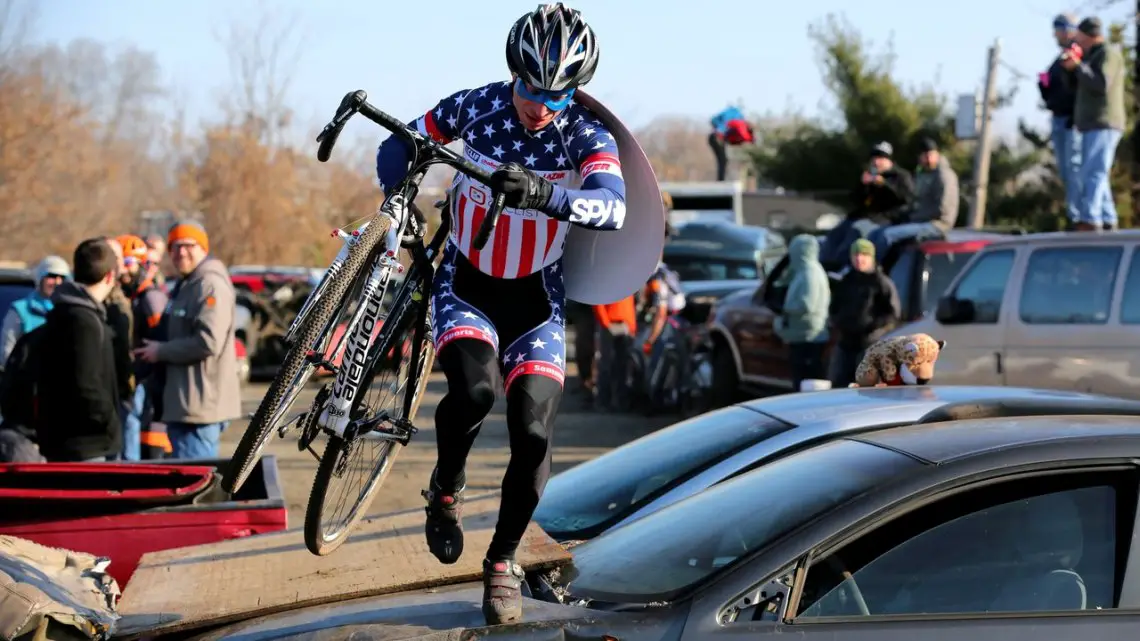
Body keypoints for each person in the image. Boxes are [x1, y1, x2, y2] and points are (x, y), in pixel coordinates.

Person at [373, 3, 623, 624]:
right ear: (512, 72)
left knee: (534, 431)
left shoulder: (586, 134)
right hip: (468, 283)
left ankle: (503, 561)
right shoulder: (476, 106)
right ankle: (446, 488)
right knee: (475, 389)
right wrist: (394, 193)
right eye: (530, 87)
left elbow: (613, 208)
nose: (540, 103)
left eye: (557, 93)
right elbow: (398, 143)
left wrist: (545, 193)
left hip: (537, 301)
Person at [132, 221, 241, 459]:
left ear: (203, 248)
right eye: (175, 247)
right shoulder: (187, 284)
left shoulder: (209, 285)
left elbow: (208, 341)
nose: (181, 252)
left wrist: (160, 351)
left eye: (188, 245)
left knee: (197, 478)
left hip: (200, 408)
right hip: (184, 406)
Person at [36, 238, 122, 462]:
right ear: (110, 276)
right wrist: (109, 421)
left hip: (67, 439)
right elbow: (88, 384)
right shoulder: (84, 320)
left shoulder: (66, 310)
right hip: (85, 443)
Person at [1064, 16, 1126, 231]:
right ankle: (1108, 218)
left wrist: (1079, 66)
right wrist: (1071, 68)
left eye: (1079, 35)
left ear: (1088, 35)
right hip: (1091, 123)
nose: (1076, 39)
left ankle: (1090, 217)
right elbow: (1075, 86)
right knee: (1096, 170)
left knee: (1094, 171)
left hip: (1104, 122)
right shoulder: (1091, 55)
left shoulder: (1108, 53)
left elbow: (1101, 84)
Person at [118, 234, 170, 461]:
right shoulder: (133, 297)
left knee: (131, 421)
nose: (125, 272)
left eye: (129, 264)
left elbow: (160, 341)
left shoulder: (151, 299)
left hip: (146, 381)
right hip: (136, 377)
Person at [820, 142, 915, 269]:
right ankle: (826, 265)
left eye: (880, 159)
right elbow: (856, 200)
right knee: (836, 233)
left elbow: (905, 198)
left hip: (885, 218)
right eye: (874, 159)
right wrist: (863, 185)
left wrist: (884, 184)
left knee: (856, 231)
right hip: (863, 216)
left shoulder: (901, 176)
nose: (876, 162)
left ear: (888, 160)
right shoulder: (871, 175)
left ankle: (843, 267)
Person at [868, 137, 959, 259]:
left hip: (937, 224)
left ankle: (874, 271)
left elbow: (942, 209)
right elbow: (915, 200)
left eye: (930, 154)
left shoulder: (944, 175)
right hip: (920, 221)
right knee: (875, 234)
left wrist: (913, 217)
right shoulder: (923, 174)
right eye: (924, 155)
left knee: (887, 235)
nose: (928, 158)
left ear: (937, 154)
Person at [828, 239, 901, 388]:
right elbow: (835, 306)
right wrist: (838, 321)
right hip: (846, 344)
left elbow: (893, 312)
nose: (859, 259)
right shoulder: (847, 280)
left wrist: (872, 326)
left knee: (867, 385)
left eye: (864, 255)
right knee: (839, 385)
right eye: (856, 255)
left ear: (871, 257)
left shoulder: (881, 282)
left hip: (869, 344)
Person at [1039, 13, 1082, 224]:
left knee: (1074, 169)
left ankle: (1078, 215)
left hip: (1070, 120)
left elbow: (1076, 87)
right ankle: (1074, 213)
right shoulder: (1059, 58)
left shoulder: (1075, 53)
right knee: (1066, 171)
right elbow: (1051, 85)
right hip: (1058, 117)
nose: (1056, 35)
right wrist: (1043, 82)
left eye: (1059, 30)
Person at [775, 234, 830, 391]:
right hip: (802, 334)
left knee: (806, 382)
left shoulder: (809, 273)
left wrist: (786, 309)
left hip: (808, 336)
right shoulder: (803, 271)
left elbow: (807, 305)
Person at [1, 255, 70, 363]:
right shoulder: (20, 311)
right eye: (51, 276)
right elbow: (6, 354)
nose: (57, 282)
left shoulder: (70, 311)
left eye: (62, 277)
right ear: (40, 278)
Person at [592, 294, 637, 411]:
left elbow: (629, 305)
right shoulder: (605, 280)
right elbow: (598, 302)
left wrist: (632, 326)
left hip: (625, 325)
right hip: (610, 323)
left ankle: (621, 401)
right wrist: (605, 323)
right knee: (606, 364)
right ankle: (603, 401)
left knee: (623, 365)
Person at [709, 105, 754, 181]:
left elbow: (714, 121)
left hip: (714, 137)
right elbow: (743, 136)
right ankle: (720, 181)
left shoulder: (736, 120)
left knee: (723, 160)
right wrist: (751, 140)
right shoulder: (741, 125)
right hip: (717, 138)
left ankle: (721, 180)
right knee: (723, 160)